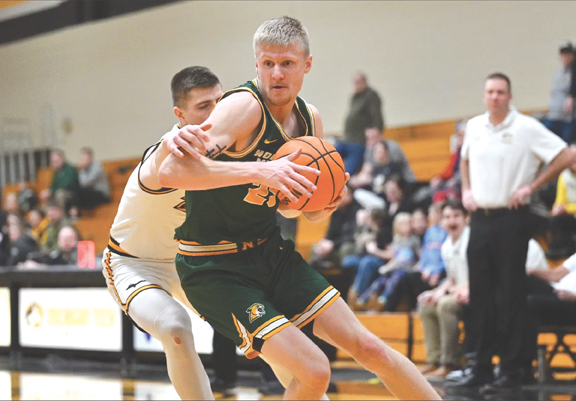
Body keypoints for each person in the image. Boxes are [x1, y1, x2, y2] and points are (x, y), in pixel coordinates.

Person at [158, 16, 439, 400]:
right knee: (314, 370)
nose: (276, 73)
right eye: (268, 63)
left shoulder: (309, 119)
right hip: (215, 265)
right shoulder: (242, 108)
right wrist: (262, 170)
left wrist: (323, 204)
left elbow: (294, 211)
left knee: (370, 348)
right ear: (256, 64)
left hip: (270, 253)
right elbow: (172, 171)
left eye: (287, 63)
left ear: (307, 65)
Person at [458, 72, 574, 393]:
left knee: (511, 295)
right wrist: (466, 189)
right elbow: (464, 160)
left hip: (512, 218)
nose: (494, 97)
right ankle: (480, 367)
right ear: (484, 96)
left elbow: (567, 155)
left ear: (509, 96)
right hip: (480, 218)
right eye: (490, 91)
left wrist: (532, 187)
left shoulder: (525, 127)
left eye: (500, 92)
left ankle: (512, 368)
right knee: (480, 295)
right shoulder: (474, 126)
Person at [418, 200, 469, 378]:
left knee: (445, 305)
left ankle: (450, 362)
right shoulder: (446, 245)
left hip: (474, 293)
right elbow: (452, 278)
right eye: (447, 217)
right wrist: (436, 292)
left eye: (456, 216)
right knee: (426, 305)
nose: (451, 221)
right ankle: (434, 360)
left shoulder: (471, 240)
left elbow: (482, 276)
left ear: (465, 219)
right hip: (457, 291)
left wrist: (446, 292)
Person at [337, 74, 384, 175]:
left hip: (359, 141)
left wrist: (376, 131)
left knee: (348, 172)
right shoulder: (354, 97)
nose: (357, 85)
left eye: (359, 82)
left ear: (365, 82)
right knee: (329, 155)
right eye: (355, 83)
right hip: (347, 139)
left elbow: (376, 115)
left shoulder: (371, 95)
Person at [543, 41, 575, 143]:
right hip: (553, 115)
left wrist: (571, 97)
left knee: (565, 145)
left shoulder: (573, 73)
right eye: (564, 54)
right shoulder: (558, 73)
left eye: (568, 54)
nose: (566, 57)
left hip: (568, 118)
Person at [547, 157, 576, 259]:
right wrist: (557, 209)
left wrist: (566, 209)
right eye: (572, 159)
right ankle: (558, 251)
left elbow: (565, 207)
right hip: (572, 215)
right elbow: (560, 200)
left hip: (570, 210)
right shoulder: (564, 175)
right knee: (556, 219)